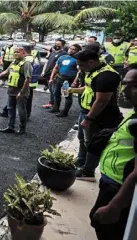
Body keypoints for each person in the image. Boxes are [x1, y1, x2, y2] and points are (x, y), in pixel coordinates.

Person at [89, 67, 137, 240]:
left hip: (119, 186)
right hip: (112, 180)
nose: (124, 91)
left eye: (134, 86)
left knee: (107, 227)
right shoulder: (135, 111)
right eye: (124, 84)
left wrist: (116, 205)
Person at [68, 49, 123, 181]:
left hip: (99, 117)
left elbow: (101, 102)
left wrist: (89, 118)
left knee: (93, 144)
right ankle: (81, 162)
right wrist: (72, 90)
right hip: (86, 112)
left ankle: (88, 172)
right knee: (83, 139)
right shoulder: (94, 71)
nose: (79, 67)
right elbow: (89, 88)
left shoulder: (106, 76)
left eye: (81, 65)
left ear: (91, 62)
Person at [0, 47, 32, 135]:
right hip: (11, 90)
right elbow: (5, 72)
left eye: (18, 52)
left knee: (21, 111)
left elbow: (27, 79)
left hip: (21, 92)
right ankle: (10, 127)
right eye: (15, 52)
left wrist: (21, 92)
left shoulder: (26, 64)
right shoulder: (13, 62)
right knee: (10, 109)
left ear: (23, 53)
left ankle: (22, 129)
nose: (16, 53)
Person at [48, 44, 81, 117]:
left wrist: (75, 81)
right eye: (70, 48)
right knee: (56, 94)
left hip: (68, 80)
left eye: (74, 49)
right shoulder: (62, 57)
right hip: (59, 78)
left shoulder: (77, 60)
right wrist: (51, 78)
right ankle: (56, 108)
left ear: (78, 51)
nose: (71, 50)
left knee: (67, 96)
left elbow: (79, 71)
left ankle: (65, 112)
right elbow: (56, 68)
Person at [41, 39, 67, 109]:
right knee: (51, 90)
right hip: (48, 74)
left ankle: (54, 105)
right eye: (56, 44)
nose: (56, 45)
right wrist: (43, 71)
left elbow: (60, 66)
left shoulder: (63, 54)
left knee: (54, 90)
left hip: (55, 75)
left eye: (58, 44)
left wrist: (55, 74)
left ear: (62, 45)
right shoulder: (53, 52)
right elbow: (47, 62)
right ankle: (51, 103)